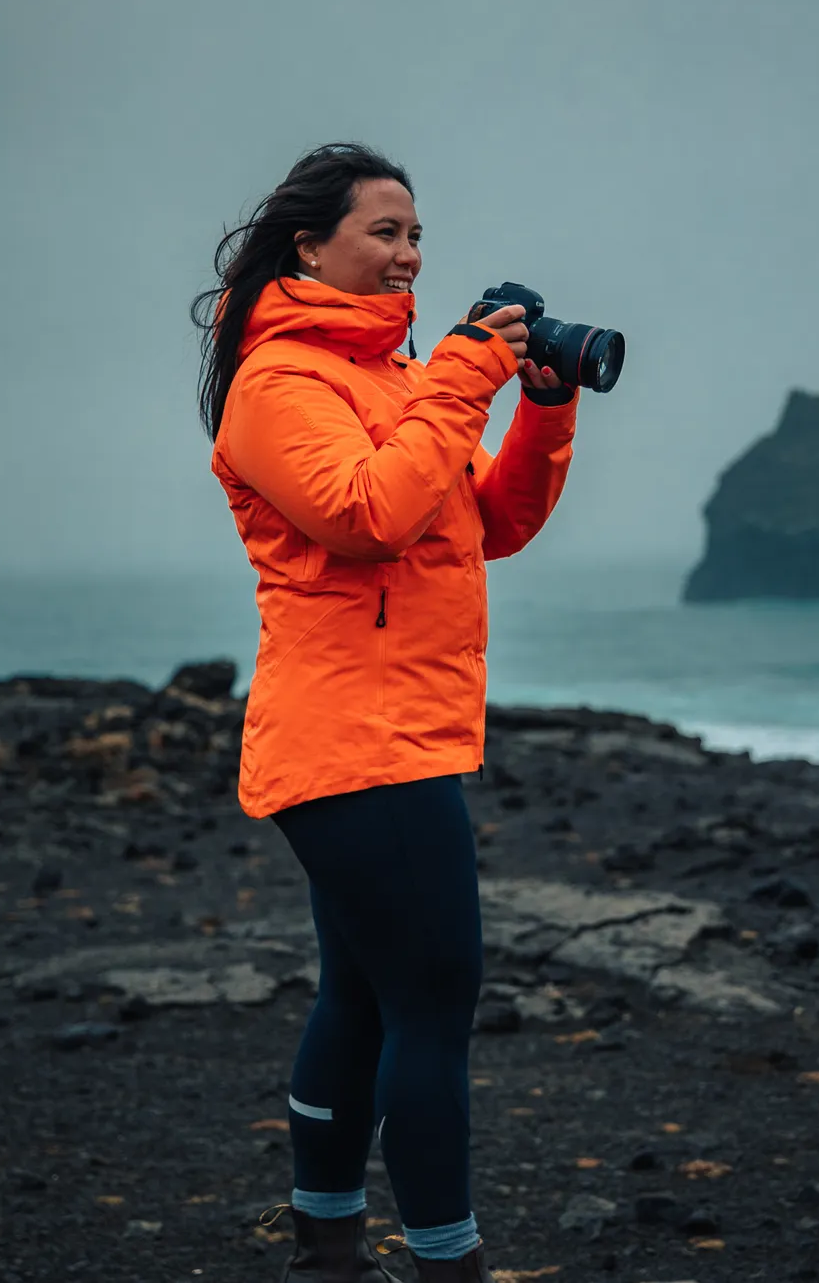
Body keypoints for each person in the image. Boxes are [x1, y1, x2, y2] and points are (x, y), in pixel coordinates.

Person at [192, 143, 578, 1283]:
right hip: (353, 743)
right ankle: (448, 1264)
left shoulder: (401, 377)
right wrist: (463, 372)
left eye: (417, 236)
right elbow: (367, 515)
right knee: (435, 998)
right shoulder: (278, 387)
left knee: (367, 994)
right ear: (309, 247)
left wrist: (542, 414)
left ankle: (327, 1246)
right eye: (386, 233)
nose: (411, 255)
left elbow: (482, 525)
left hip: (398, 732)